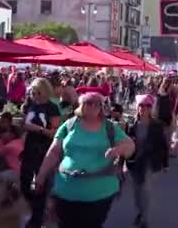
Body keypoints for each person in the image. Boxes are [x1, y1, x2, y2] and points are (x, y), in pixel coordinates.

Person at [35, 86, 135, 228]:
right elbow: (54, 151)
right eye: (89, 102)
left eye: (97, 103)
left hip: (100, 193)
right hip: (65, 191)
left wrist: (119, 149)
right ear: (82, 105)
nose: (93, 106)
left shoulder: (110, 127)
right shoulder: (69, 125)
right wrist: (41, 175)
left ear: (102, 106)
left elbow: (130, 145)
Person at [19, 78, 62, 228]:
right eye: (32, 92)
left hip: (43, 150)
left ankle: (36, 219)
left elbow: (54, 133)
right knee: (24, 183)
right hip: (29, 148)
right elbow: (25, 124)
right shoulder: (31, 105)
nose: (35, 95)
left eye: (37, 92)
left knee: (40, 184)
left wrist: (38, 129)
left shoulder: (52, 108)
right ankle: (39, 209)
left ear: (45, 91)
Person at [125, 94, 168, 228]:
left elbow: (163, 145)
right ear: (137, 108)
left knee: (146, 190)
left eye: (148, 106)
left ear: (151, 108)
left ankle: (145, 219)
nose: (144, 108)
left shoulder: (157, 125)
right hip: (134, 161)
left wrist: (165, 164)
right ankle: (140, 211)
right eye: (141, 106)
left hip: (149, 161)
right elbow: (125, 143)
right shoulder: (131, 124)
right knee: (137, 191)